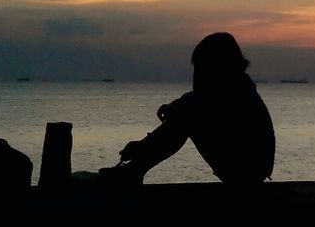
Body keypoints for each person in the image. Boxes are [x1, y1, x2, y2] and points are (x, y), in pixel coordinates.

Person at [104, 33, 275, 184]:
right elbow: (199, 102)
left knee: (185, 118)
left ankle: (134, 170)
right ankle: (134, 168)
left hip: (245, 170)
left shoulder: (233, 88)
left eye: (201, 67)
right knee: (185, 117)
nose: (198, 74)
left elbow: (196, 103)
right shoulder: (240, 86)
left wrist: (145, 144)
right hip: (250, 169)